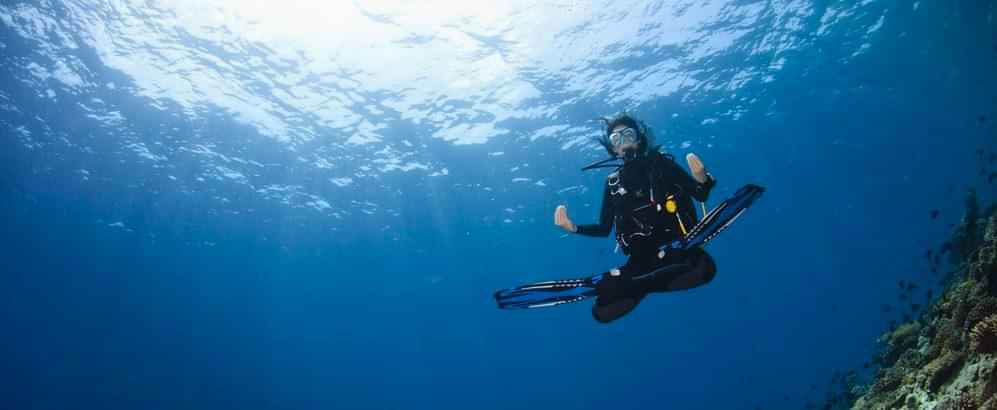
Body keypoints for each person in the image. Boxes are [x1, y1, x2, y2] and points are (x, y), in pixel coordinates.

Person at [553, 114, 719, 323]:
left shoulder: (662, 164)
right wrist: (574, 228)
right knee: (602, 312)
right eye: (616, 139)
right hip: (641, 257)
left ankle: (625, 281)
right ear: (613, 148)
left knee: (705, 269)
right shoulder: (613, 183)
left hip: (678, 247)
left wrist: (703, 178)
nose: (623, 142)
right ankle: (633, 281)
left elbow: (700, 194)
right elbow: (604, 229)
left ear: (639, 139)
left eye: (628, 135)